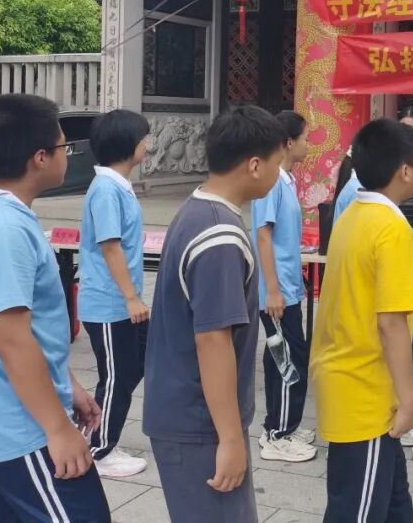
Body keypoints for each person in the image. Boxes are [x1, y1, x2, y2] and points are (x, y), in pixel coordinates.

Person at [0, 95, 110, 521]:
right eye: (65, 146)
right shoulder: (3, 230)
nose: (68, 154)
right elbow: (11, 340)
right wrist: (58, 428)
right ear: (40, 157)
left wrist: (68, 384)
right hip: (21, 429)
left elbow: (25, 328)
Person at [143, 106, 285, 523]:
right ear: (254, 165)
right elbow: (212, 338)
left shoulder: (197, 209)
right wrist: (230, 438)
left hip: (191, 415)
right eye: (277, 163)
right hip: (200, 424)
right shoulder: (219, 234)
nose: (279, 173)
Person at [312, 118, 413, 522]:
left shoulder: (353, 214)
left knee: (394, 506)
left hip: (347, 382)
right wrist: (409, 398)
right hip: (366, 394)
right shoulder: (391, 227)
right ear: (405, 170)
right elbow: (391, 321)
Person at [77, 109, 151, 479]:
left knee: (134, 365)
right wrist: (131, 297)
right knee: (117, 375)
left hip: (121, 301)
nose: (148, 143)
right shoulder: (106, 189)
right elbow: (110, 246)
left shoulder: (118, 185)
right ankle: (99, 448)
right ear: (128, 143)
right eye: (144, 137)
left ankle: (92, 426)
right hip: (108, 303)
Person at [251, 110, 317, 463]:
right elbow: (263, 234)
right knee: (289, 359)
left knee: (281, 356)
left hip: (288, 286)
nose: (309, 144)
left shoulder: (286, 180)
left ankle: (279, 424)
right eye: (305, 138)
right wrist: (273, 290)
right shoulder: (272, 180)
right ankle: (279, 434)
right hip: (277, 291)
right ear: (289, 142)